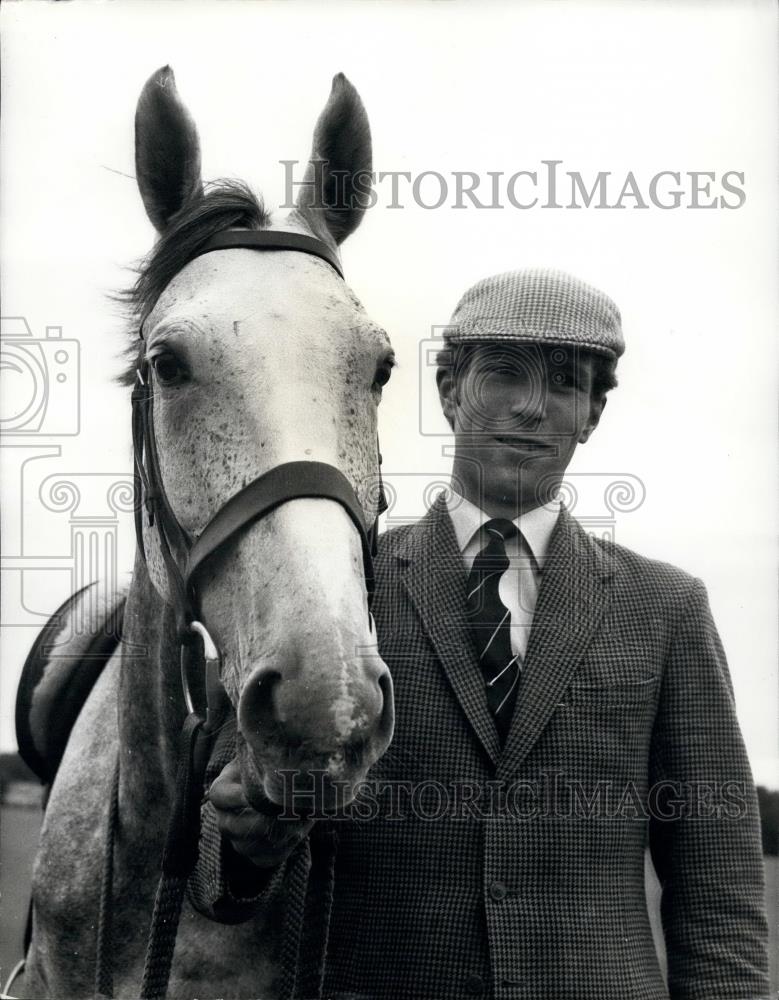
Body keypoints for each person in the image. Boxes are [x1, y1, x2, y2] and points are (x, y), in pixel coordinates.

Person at [192, 269, 769, 999]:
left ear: (591, 413)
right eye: (502, 376)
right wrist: (248, 845)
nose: (530, 408)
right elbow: (215, 869)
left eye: (563, 384)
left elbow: (717, 888)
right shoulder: (338, 585)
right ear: (447, 390)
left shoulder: (666, 607)